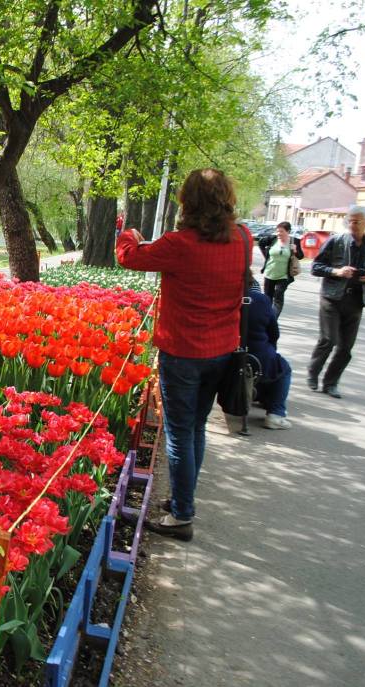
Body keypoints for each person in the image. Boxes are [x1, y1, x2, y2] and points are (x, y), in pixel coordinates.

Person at [116, 168, 249, 541]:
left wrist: (129, 234)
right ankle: (180, 501)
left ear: (187, 202)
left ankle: (182, 515)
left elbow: (128, 257)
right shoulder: (242, 238)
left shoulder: (179, 243)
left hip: (183, 351)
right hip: (222, 350)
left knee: (178, 432)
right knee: (196, 427)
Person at [306, 206, 365, 398]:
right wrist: (336, 271)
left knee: (346, 347)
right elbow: (315, 267)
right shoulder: (336, 240)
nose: (352, 224)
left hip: (355, 301)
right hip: (332, 297)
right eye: (350, 221)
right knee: (328, 340)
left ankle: (331, 383)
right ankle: (313, 372)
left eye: (357, 221)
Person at [245, 285, 292, 429]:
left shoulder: (221, 295)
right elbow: (274, 333)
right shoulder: (260, 300)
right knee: (283, 369)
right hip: (257, 356)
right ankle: (276, 414)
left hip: (222, 352)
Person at [257, 221, 304, 317]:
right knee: (267, 298)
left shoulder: (294, 241)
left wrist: (295, 250)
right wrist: (266, 256)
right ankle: (267, 318)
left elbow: (301, 256)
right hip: (269, 273)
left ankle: (273, 319)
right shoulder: (273, 239)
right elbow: (260, 243)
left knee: (278, 296)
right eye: (277, 231)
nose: (278, 233)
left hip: (284, 275)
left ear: (288, 231)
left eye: (281, 231)